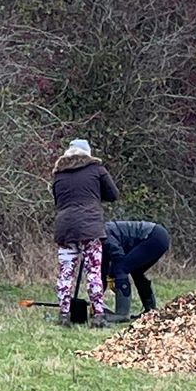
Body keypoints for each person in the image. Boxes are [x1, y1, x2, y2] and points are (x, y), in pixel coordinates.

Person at [51, 137, 119, 327]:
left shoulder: (58, 175)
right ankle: (98, 316)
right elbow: (113, 194)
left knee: (65, 273)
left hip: (65, 228)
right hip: (90, 228)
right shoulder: (97, 170)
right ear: (87, 153)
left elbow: (58, 202)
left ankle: (64, 315)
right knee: (93, 272)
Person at [101, 219, 170, 320]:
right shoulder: (100, 238)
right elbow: (102, 273)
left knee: (121, 269)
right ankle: (150, 310)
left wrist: (114, 276)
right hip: (159, 236)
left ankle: (122, 314)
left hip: (154, 237)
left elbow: (118, 257)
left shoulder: (105, 234)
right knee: (136, 270)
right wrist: (97, 301)